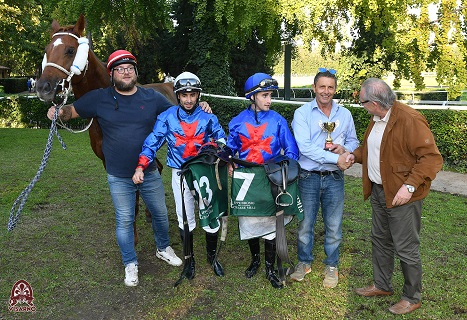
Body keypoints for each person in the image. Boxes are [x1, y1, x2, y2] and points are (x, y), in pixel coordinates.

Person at [46, 50, 210, 287]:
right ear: (112, 74)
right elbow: (71, 111)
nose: (126, 72)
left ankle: (163, 248)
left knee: (161, 214)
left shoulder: (151, 98)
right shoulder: (99, 98)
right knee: (124, 219)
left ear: (135, 72)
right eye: (120, 69)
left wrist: (200, 105)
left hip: (150, 171)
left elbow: (180, 114)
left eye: (130, 68)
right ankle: (130, 262)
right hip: (119, 175)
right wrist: (57, 112)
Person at [348, 78, 443, 314]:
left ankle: (412, 296)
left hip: (403, 196)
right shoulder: (377, 118)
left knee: (406, 247)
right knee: (380, 239)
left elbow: (431, 158)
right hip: (380, 191)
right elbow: (374, 149)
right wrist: (354, 156)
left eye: (362, 103)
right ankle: (382, 284)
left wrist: (409, 186)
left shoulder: (410, 119)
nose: (362, 106)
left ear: (375, 102)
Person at [132, 71, 227, 279]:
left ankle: (212, 257)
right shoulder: (166, 118)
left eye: (193, 95)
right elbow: (151, 143)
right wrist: (141, 166)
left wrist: (214, 147)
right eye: (184, 95)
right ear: (178, 95)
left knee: (210, 214)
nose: (189, 99)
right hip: (181, 174)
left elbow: (222, 139)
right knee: (185, 218)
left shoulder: (209, 117)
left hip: (204, 173)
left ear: (199, 95)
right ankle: (189, 260)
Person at [227, 73, 299, 289]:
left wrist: (285, 169)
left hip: (270, 176)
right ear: (252, 97)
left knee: (269, 221)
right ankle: (255, 260)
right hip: (247, 177)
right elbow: (230, 149)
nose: (269, 100)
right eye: (265, 95)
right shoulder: (237, 122)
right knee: (249, 218)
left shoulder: (278, 120)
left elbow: (292, 150)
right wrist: (229, 162)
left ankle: (269, 267)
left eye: (270, 96)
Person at [290, 68, 359, 288]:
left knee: (334, 226)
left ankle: (331, 265)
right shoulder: (302, 113)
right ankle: (304, 262)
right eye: (322, 87)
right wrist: (334, 158)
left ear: (335, 89)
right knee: (305, 225)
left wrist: (344, 149)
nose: (326, 91)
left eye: (330, 87)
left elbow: (355, 142)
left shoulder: (344, 114)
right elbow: (305, 148)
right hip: (308, 177)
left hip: (334, 179)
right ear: (314, 88)